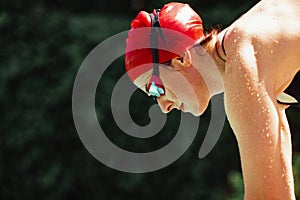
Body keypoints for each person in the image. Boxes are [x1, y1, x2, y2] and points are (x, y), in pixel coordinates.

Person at [125, 1, 300, 199]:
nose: (163, 106)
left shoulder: (244, 55)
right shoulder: (253, 61)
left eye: (155, 88)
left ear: (181, 58)